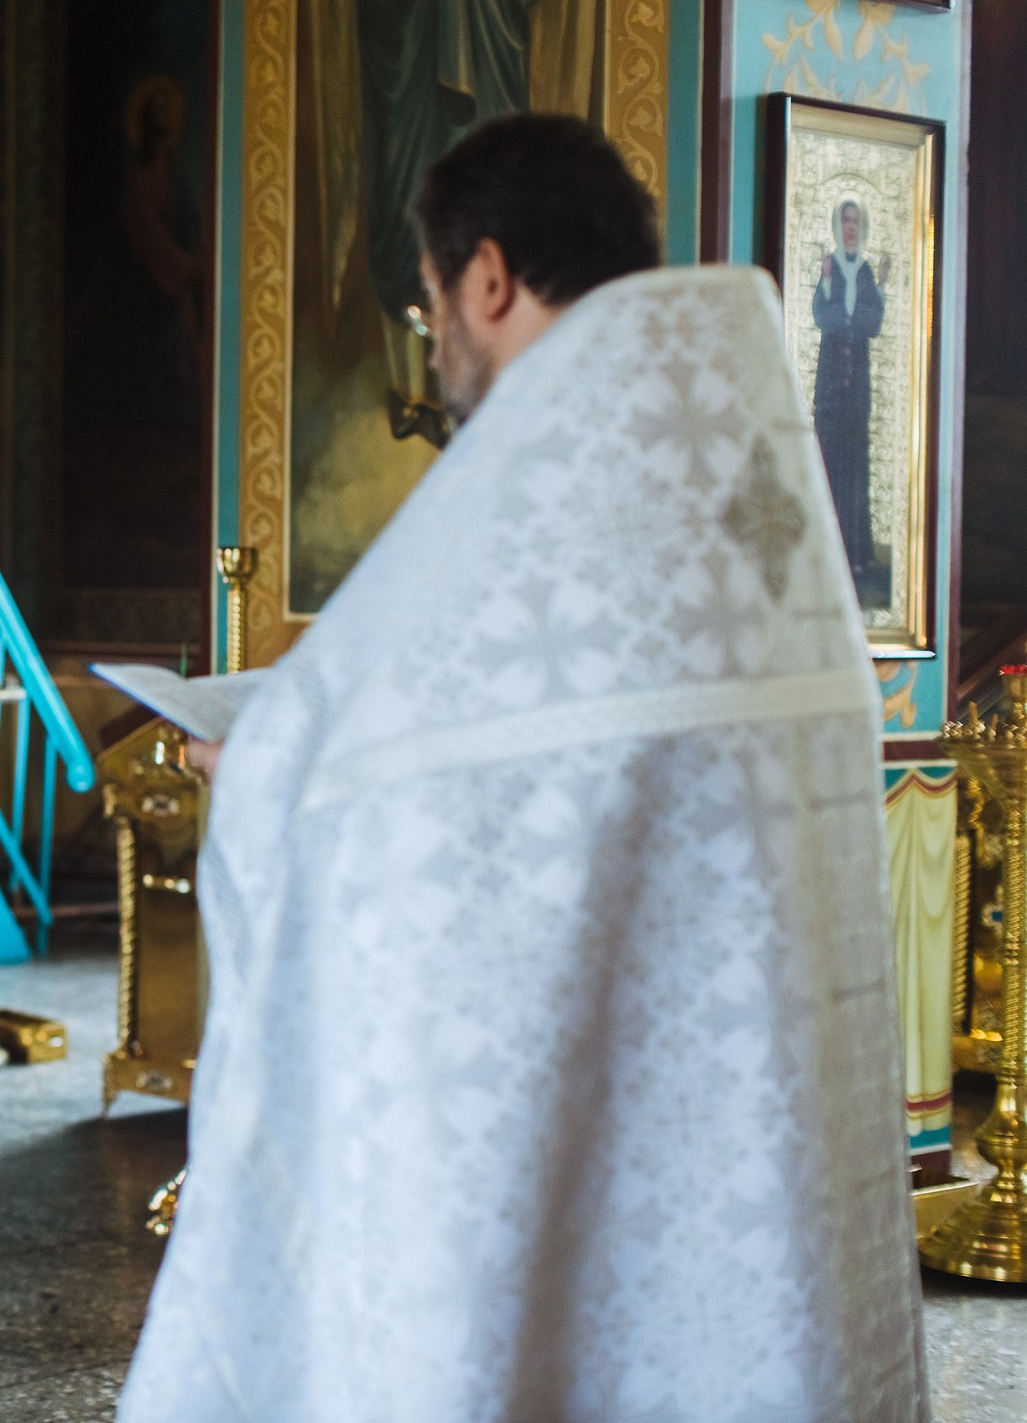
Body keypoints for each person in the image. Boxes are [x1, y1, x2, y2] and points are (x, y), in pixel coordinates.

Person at [123, 114, 926, 1422]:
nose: (433, 341)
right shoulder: (733, 464)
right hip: (747, 1137)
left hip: (573, 1121)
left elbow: (421, 779)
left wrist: (260, 768)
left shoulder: (544, 483)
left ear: (485, 278)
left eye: (429, 301)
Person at [813, 195, 890, 607]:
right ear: (835, 227)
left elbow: (871, 323)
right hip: (829, 387)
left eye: (855, 222)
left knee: (855, 467)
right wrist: (828, 288)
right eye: (844, 222)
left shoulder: (863, 272)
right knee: (829, 462)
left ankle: (856, 556)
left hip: (856, 384)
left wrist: (876, 291)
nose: (850, 229)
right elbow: (823, 318)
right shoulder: (828, 269)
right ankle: (828, 556)